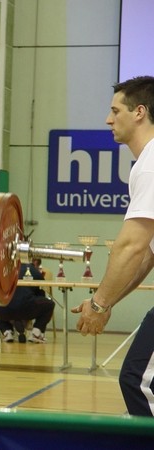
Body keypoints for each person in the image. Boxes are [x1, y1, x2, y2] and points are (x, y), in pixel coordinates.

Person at [72, 76, 154, 416]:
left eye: (114, 110)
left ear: (139, 112)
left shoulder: (151, 162)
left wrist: (100, 303)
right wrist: (106, 302)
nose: (108, 119)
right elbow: (148, 255)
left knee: (138, 381)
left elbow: (130, 247)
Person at [0, 262, 55, 343]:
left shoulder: (5, 268)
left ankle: (7, 331)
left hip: (5, 310)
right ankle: (36, 333)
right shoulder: (34, 270)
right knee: (49, 304)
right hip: (27, 309)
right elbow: (41, 294)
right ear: (35, 263)